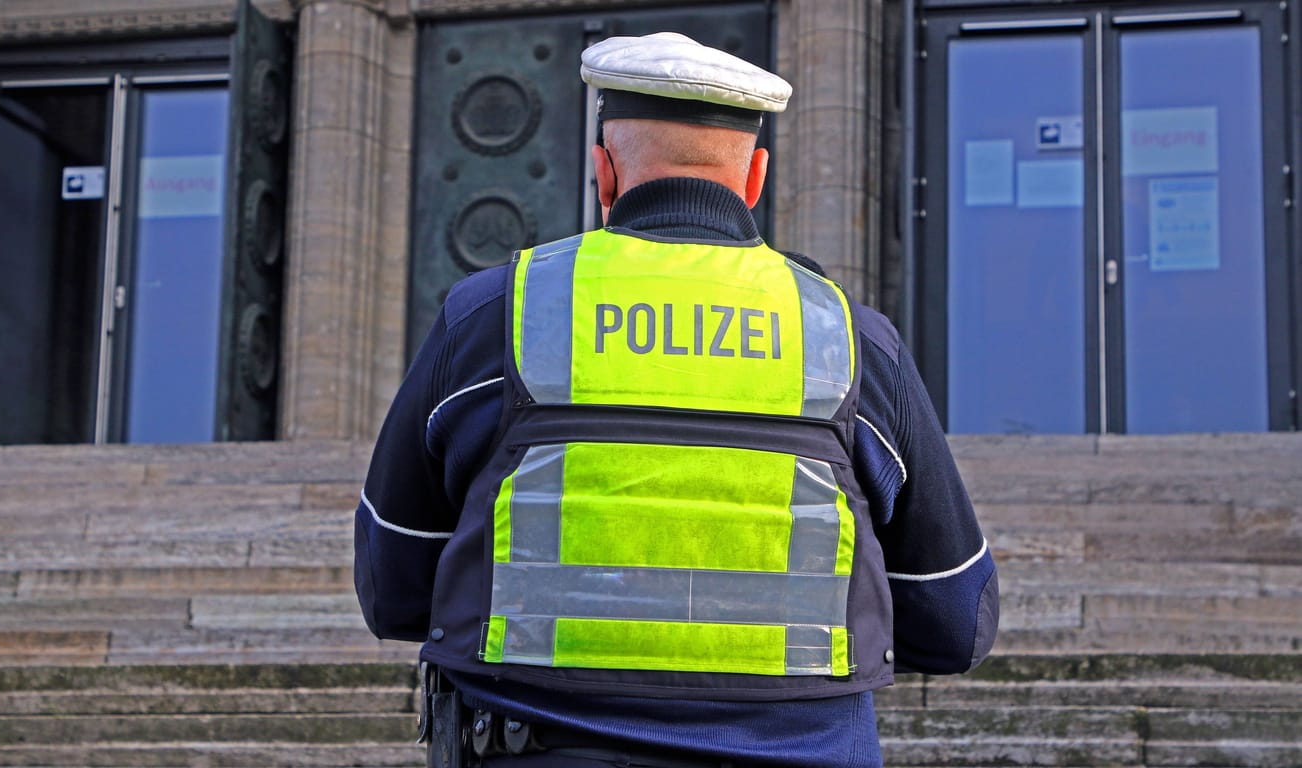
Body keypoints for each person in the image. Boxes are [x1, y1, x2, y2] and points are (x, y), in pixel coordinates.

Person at [355, 32, 998, 768]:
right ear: (754, 179)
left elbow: (394, 586)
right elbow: (955, 620)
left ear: (603, 172)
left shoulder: (494, 313)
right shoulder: (849, 339)